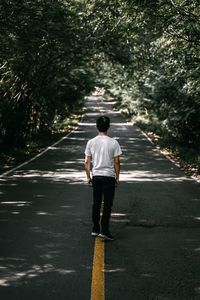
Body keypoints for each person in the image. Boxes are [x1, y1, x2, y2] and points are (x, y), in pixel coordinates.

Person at [84, 116, 122, 240]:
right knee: (107, 204)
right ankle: (104, 230)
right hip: (109, 177)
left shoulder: (91, 142)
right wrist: (117, 177)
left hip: (97, 176)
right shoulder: (114, 142)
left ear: (97, 126)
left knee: (96, 203)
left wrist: (88, 176)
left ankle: (95, 229)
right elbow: (117, 162)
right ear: (108, 127)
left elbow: (87, 162)